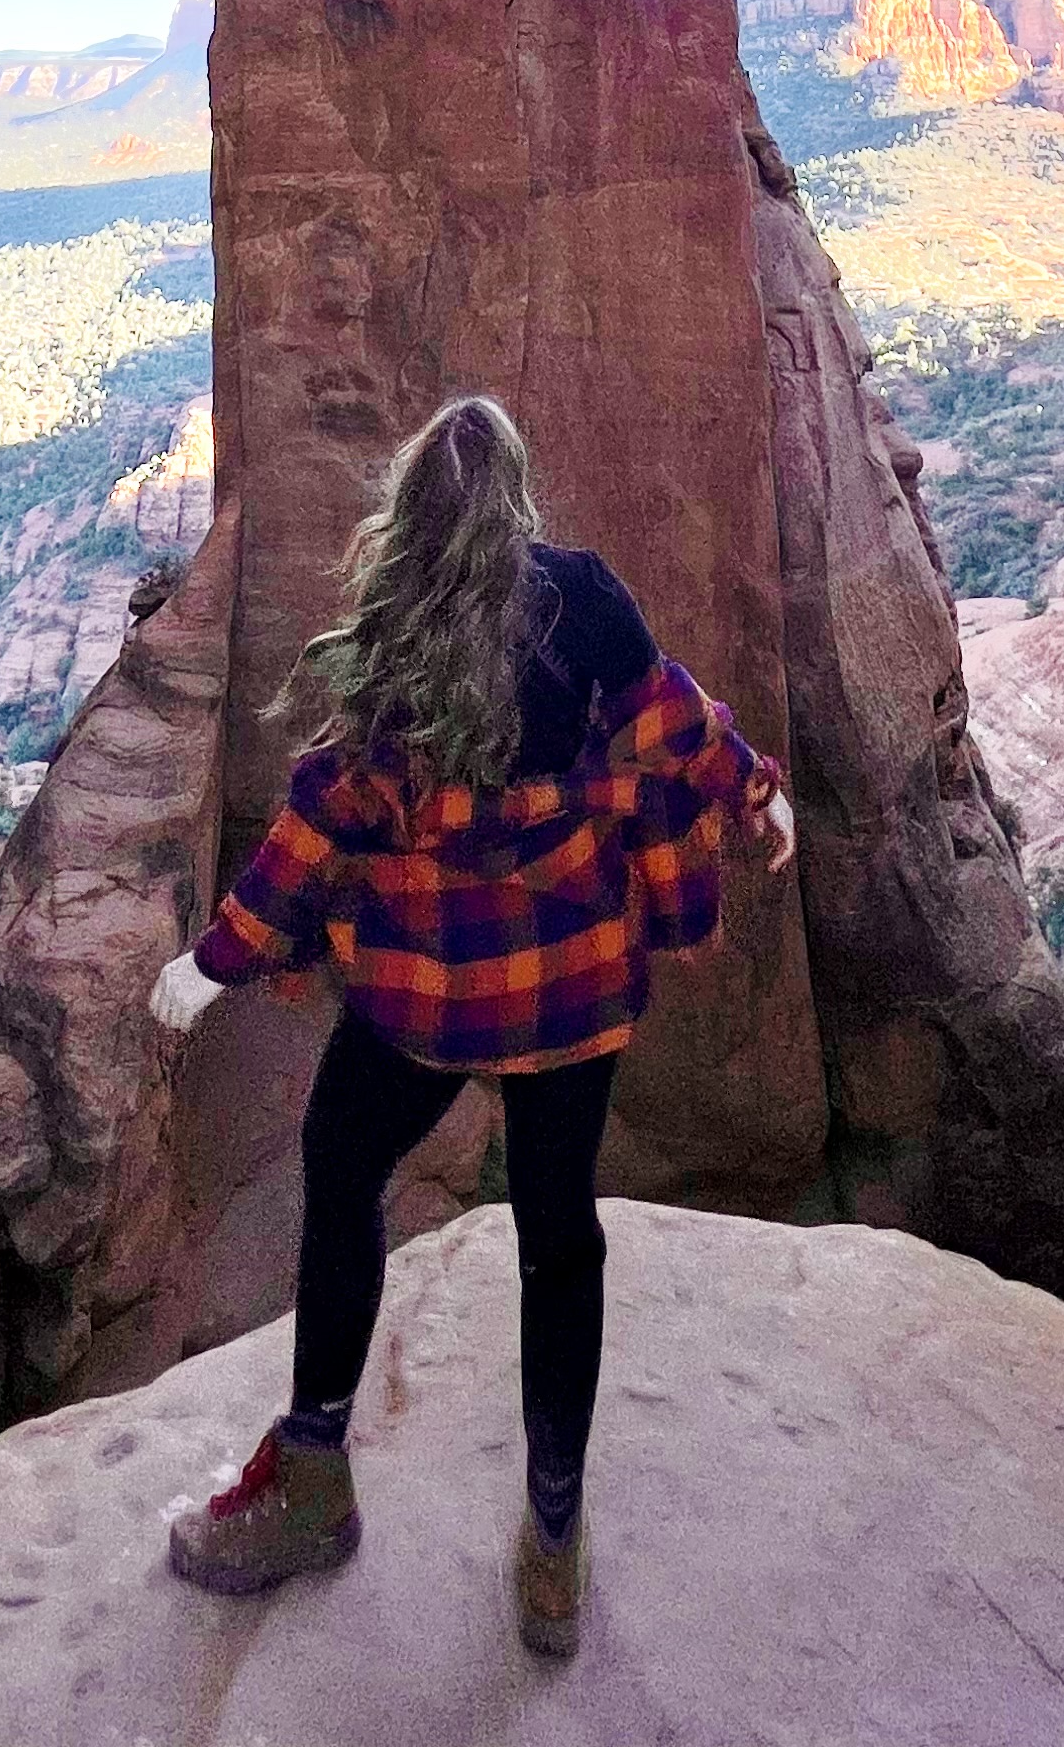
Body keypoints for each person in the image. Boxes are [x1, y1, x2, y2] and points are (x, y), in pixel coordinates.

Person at [148, 393, 794, 1661]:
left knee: (345, 1174)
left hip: (425, 994)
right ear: (516, 500)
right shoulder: (587, 601)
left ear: (412, 513)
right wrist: (761, 797)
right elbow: (678, 725)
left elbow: (319, 825)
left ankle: (317, 1474)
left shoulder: (385, 641)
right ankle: (552, 1544)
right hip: (571, 982)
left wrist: (218, 960)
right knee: (561, 1239)